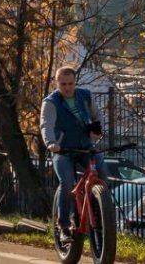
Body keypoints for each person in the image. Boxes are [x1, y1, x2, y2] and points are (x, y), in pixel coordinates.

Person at [41, 65, 102, 239]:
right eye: (63, 84)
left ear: (75, 82)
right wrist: (51, 143)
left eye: (70, 83)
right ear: (57, 83)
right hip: (63, 151)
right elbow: (46, 125)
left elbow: (97, 115)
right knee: (67, 182)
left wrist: (97, 131)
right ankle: (64, 226)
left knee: (101, 170)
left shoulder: (85, 96)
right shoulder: (51, 102)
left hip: (85, 147)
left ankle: (102, 211)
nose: (67, 88)